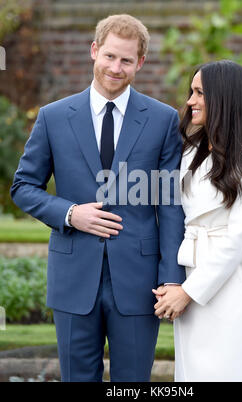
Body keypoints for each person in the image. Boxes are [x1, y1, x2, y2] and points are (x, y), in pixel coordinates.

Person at [11, 14, 185, 382]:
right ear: (94, 51)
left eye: (126, 60)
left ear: (140, 62)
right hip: (73, 277)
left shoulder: (163, 120)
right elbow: (23, 186)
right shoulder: (53, 117)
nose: (115, 68)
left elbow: (170, 204)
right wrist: (70, 213)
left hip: (139, 281)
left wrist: (171, 277)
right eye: (109, 56)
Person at [153, 60, 242, 382]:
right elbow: (171, 216)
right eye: (191, 92)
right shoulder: (189, 152)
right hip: (190, 272)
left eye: (199, 93)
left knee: (237, 368)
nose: (190, 101)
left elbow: (239, 237)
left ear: (223, 98)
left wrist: (189, 292)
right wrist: (174, 282)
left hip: (234, 283)